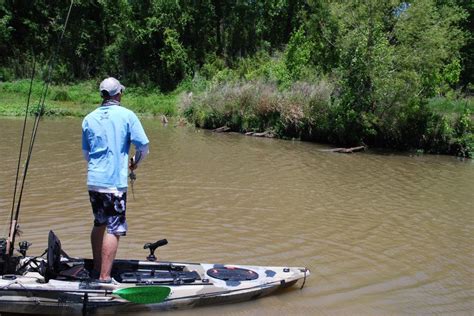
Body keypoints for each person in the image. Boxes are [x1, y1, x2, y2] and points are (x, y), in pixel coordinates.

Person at [82, 77, 149, 282]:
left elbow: (87, 153)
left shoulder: (88, 118)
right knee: (114, 228)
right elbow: (144, 147)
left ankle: (96, 268)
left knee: (99, 223)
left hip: (94, 180)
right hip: (114, 184)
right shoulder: (127, 115)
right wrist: (135, 162)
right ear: (118, 94)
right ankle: (104, 277)